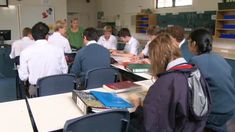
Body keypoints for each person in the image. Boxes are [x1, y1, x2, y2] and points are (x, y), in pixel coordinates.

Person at [128, 32, 209, 132]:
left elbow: (151, 125)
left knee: (127, 124)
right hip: (195, 128)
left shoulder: (166, 82)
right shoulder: (196, 73)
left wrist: (137, 107)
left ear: (158, 59)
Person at [188, 28, 235, 132]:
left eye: (189, 42)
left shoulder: (196, 61)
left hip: (214, 113)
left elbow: (188, 87)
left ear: (194, 44)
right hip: (230, 109)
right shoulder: (219, 57)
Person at [18, 22, 68, 97]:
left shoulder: (25, 52)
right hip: (57, 88)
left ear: (33, 36)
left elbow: (23, 77)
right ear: (47, 36)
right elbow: (65, 71)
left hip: (37, 90)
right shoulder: (58, 50)